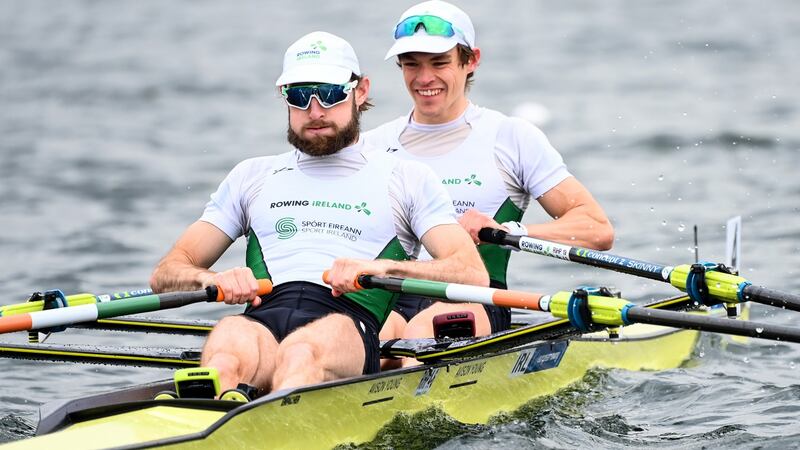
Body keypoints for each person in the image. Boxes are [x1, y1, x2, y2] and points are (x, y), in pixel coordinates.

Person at [149, 31, 488, 396]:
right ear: (285, 99)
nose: (315, 111)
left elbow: (471, 273)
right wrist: (211, 280)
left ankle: (275, 420)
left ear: (360, 91)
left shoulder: (405, 178)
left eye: (329, 94)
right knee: (228, 342)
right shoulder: (252, 175)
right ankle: (209, 413)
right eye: (299, 96)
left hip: (346, 322)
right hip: (262, 316)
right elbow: (167, 272)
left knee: (302, 352)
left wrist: (382, 269)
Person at [364, 1, 614, 363]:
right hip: (391, 293)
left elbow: (596, 228)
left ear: (471, 61)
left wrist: (508, 229)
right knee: (367, 336)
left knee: (418, 339)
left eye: (439, 63)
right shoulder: (372, 147)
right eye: (412, 64)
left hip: (476, 297)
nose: (423, 78)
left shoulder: (510, 138)